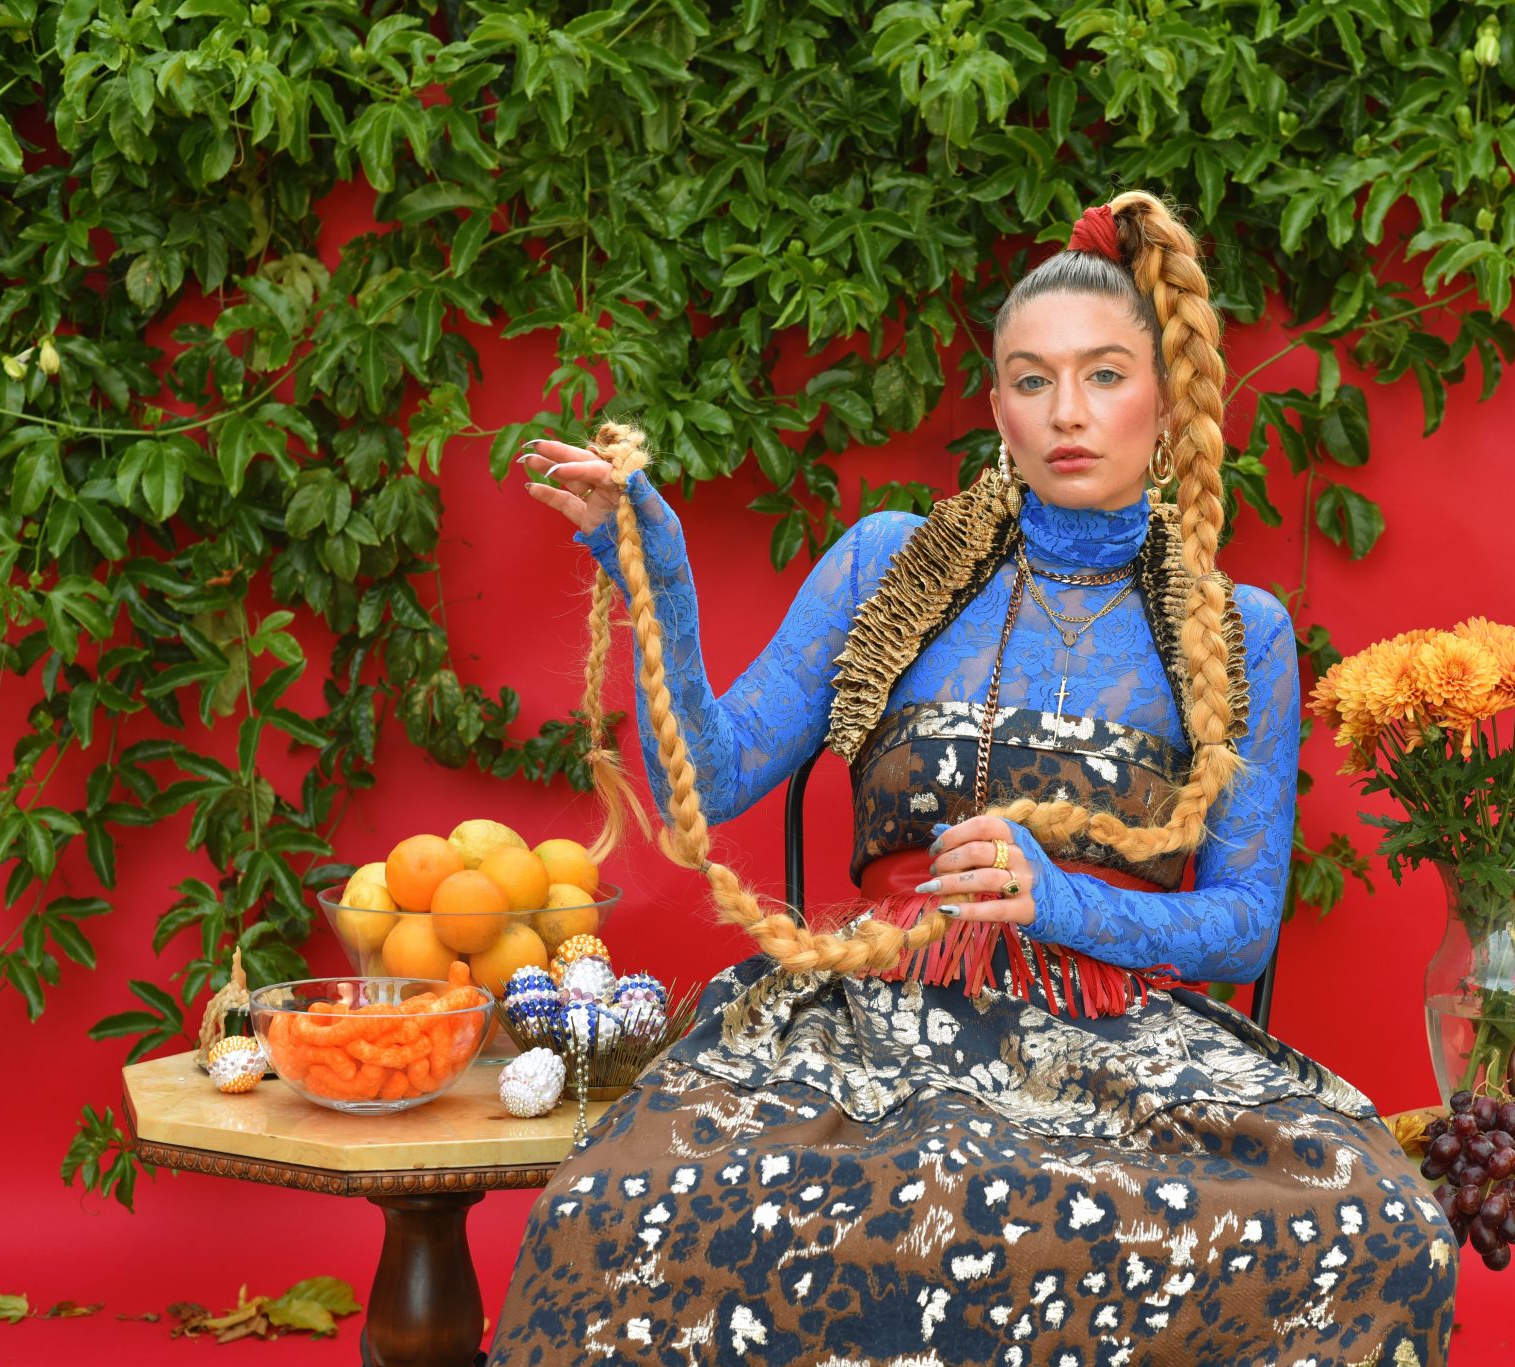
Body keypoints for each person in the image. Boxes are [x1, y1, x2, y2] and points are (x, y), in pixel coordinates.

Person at [492, 191, 1456, 1365]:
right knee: (618, 1211)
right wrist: (656, 570)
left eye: (1104, 376)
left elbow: (1244, 926)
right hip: (870, 1024)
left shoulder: (1235, 630)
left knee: (1380, 1224)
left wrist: (1059, 900)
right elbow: (712, 772)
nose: (1067, 412)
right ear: (997, 407)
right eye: (1030, 380)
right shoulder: (890, 564)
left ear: (1164, 403)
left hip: (1121, 1046)